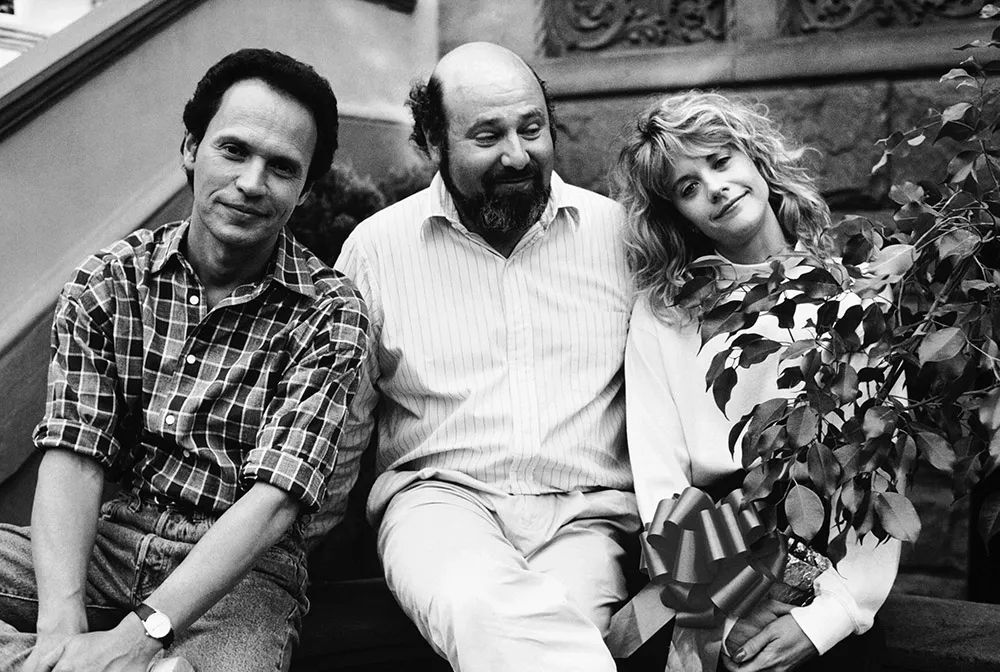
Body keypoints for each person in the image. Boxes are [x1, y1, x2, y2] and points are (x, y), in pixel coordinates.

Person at [0, 48, 368, 672]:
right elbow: (74, 453)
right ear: (191, 149)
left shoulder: (329, 312)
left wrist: (136, 638)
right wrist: (61, 631)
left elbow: (274, 501)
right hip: (113, 538)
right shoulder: (110, 281)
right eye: (234, 150)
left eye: (282, 167)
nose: (252, 183)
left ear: (305, 190)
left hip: (244, 573)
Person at [308, 41, 639, 672]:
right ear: (434, 143)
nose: (517, 154)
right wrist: (300, 553)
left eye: (532, 129)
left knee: (566, 625)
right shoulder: (376, 251)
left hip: (586, 517)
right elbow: (344, 423)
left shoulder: (619, 236)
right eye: (487, 136)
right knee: (477, 603)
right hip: (439, 506)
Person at [613, 91, 900, 672]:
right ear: (676, 215)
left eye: (721, 161)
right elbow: (659, 470)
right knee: (625, 646)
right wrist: (729, 603)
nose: (715, 187)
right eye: (688, 187)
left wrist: (830, 616)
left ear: (757, 159)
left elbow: (879, 468)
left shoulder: (852, 296)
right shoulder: (666, 314)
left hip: (825, 565)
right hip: (705, 558)